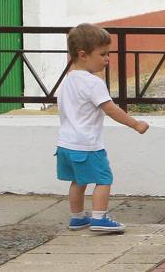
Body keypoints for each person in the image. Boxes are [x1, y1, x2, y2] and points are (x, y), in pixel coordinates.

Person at [56, 23, 149, 234]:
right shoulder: (93, 83)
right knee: (103, 179)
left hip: (65, 144)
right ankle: (99, 218)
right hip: (87, 144)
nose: (107, 59)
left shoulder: (68, 79)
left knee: (78, 181)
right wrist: (136, 124)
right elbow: (111, 109)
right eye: (103, 54)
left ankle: (77, 217)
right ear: (83, 55)